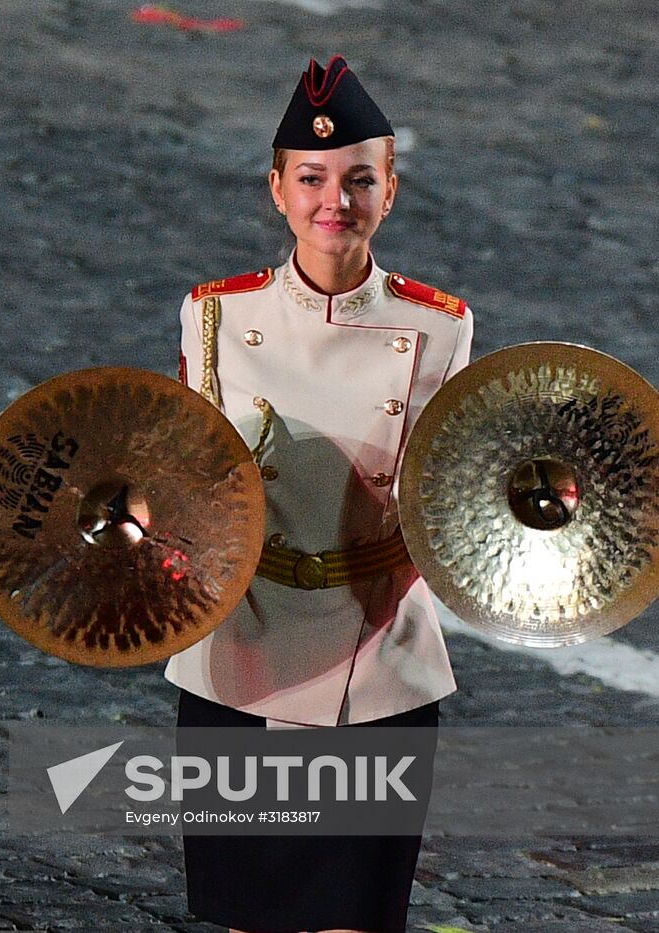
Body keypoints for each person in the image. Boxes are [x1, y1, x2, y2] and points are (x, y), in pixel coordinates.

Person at [165, 56, 475, 933]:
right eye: (311, 178)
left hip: (376, 661)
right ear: (276, 189)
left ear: (391, 191)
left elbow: (454, 483)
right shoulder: (215, 314)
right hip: (239, 652)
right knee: (246, 917)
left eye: (358, 179)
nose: (333, 199)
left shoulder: (439, 325)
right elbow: (183, 468)